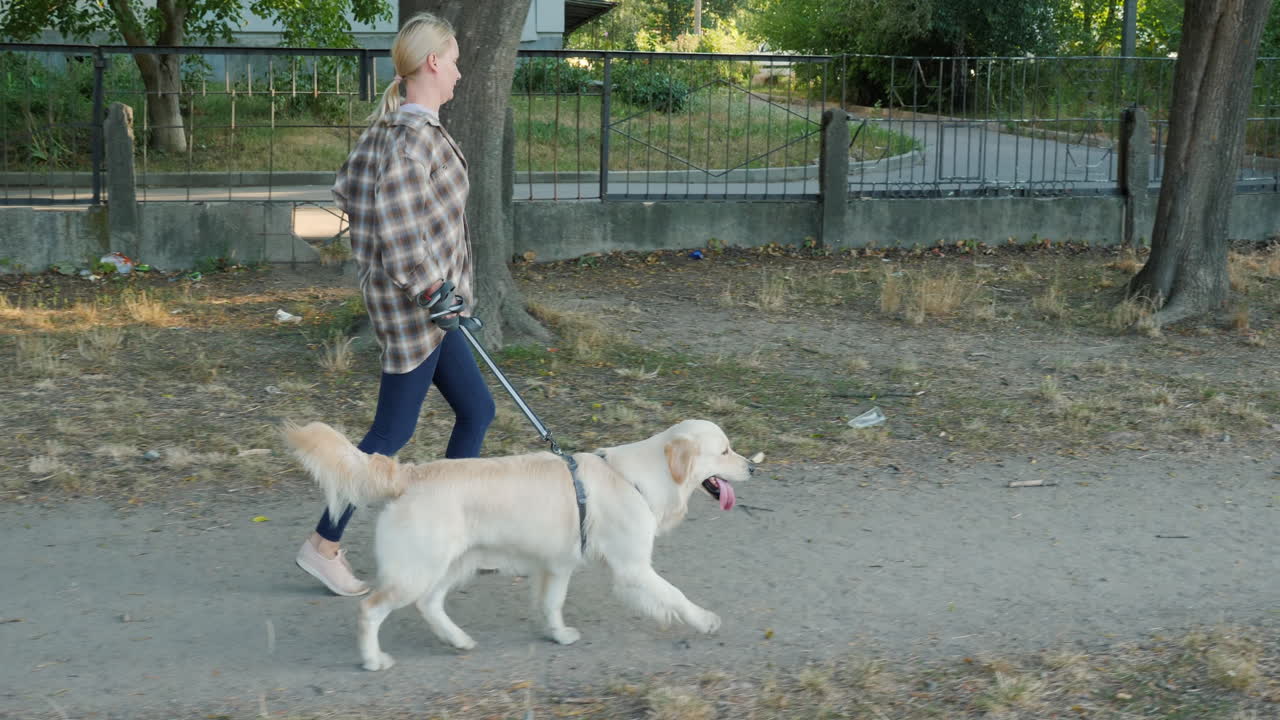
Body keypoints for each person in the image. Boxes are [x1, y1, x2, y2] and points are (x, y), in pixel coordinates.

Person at [294, 11, 495, 596]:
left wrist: (430, 286)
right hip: (420, 312)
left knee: (477, 412)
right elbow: (398, 229)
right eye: (454, 61)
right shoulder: (411, 140)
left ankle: (455, 533)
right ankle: (323, 545)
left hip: (431, 308)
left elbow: (354, 196)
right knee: (389, 434)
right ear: (434, 62)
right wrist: (431, 288)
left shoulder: (389, 130)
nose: (458, 73)